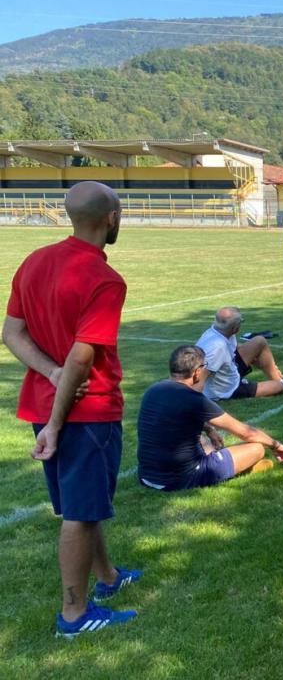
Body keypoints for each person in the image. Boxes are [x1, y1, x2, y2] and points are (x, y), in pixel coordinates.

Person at [2, 181, 141, 636]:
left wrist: (49, 373)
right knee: (80, 516)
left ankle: (107, 577)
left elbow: (13, 334)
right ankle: (74, 614)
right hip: (85, 415)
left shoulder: (34, 262)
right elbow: (82, 359)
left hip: (47, 405)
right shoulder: (104, 280)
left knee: (86, 504)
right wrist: (59, 419)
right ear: (112, 219)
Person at [137, 345, 283, 492]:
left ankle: (233, 465)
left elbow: (175, 415)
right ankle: (241, 468)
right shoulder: (195, 399)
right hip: (182, 478)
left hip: (146, 476)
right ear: (197, 372)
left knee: (203, 440)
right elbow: (246, 433)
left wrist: (209, 429)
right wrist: (275, 445)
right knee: (256, 448)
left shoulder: (153, 390)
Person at [196, 307, 283, 401]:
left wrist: (257, 358)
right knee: (280, 387)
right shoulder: (217, 348)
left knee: (259, 341)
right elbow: (201, 375)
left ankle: (279, 378)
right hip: (226, 389)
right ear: (235, 328)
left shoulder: (220, 331)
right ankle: (282, 384)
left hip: (229, 370)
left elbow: (235, 348)